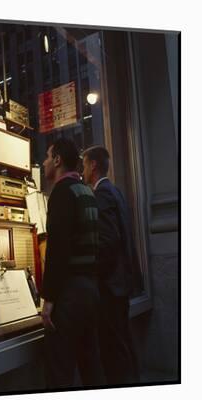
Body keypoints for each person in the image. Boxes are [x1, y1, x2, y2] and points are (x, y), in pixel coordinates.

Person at [41, 138, 105, 389]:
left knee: (60, 372)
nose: (44, 162)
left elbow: (58, 250)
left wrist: (48, 300)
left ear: (57, 160)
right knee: (91, 365)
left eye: (47, 156)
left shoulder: (61, 193)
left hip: (68, 296)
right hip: (90, 291)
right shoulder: (87, 191)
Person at [82, 145, 140, 385]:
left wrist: (92, 274)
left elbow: (108, 241)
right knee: (123, 343)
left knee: (113, 351)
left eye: (84, 164)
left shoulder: (102, 194)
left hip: (110, 287)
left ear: (93, 165)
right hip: (122, 283)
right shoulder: (116, 191)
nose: (82, 170)